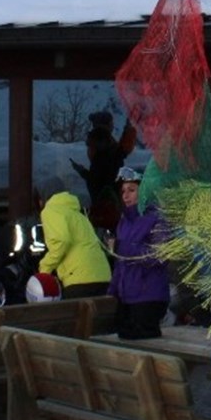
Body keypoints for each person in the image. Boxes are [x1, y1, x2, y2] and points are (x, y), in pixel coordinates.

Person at [109, 167, 171, 339]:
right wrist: (112, 290)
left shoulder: (157, 218)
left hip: (149, 296)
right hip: (126, 296)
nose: (125, 196)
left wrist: (123, 247)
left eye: (131, 190)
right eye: (123, 191)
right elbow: (120, 262)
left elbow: (159, 256)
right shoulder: (124, 221)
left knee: (144, 343)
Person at [40, 187, 113, 298]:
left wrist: (44, 269)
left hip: (79, 279)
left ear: (42, 199)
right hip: (103, 276)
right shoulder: (78, 214)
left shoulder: (51, 210)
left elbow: (61, 241)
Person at [73, 109, 137, 234]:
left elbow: (95, 177)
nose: (113, 126)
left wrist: (83, 172)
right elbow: (121, 152)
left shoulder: (96, 145)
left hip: (101, 199)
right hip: (109, 201)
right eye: (110, 123)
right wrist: (129, 130)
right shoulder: (105, 144)